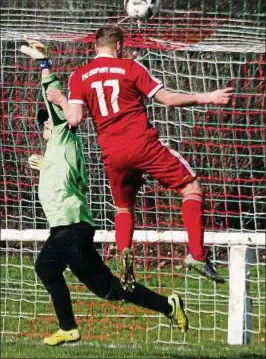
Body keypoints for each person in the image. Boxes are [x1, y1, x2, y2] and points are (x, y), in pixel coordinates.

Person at [22, 40, 189, 346]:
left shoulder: (63, 133)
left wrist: (44, 64)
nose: (45, 124)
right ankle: (168, 306)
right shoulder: (56, 152)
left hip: (71, 227)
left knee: (50, 268)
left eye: (46, 120)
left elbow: (54, 98)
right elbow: (70, 179)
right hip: (69, 227)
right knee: (105, 288)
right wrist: (46, 167)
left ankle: (69, 328)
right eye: (42, 123)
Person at [46, 26, 232, 290]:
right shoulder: (130, 67)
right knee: (191, 188)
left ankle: (125, 261)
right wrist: (208, 98)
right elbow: (167, 99)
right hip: (143, 146)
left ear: (95, 47)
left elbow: (75, 119)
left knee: (123, 208)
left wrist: (62, 101)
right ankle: (197, 255)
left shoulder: (79, 76)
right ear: (119, 46)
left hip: (113, 154)